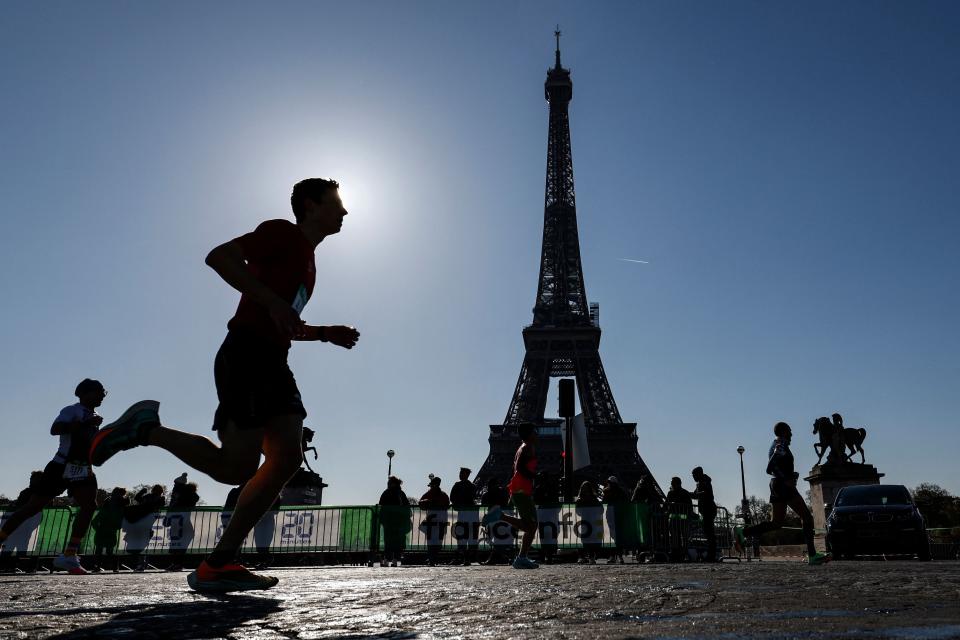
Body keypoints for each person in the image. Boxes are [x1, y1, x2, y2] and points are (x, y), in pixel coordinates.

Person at [89, 178, 360, 592]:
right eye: (337, 204)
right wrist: (272, 302)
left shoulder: (308, 260)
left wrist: (324, 333)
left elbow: (283, 320)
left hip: (273, 360)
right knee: (237, 468)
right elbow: (219, 257)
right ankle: (145, 429)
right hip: (246, 355)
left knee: (287, 458)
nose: (344, 212)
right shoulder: (281, 233)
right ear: (310, 205)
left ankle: (220, 561)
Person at [0, 379, 108, 574]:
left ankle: (69, 555)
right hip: (60, 465)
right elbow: (55, 429)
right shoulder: (71, 410)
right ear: (85, 393)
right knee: (32, 507)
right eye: (99, 392)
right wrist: (84, 423)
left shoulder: (96, 415)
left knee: (90, 505)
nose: (103, 395)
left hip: (82, 467)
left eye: (104, 392)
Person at [737, 422, 831, 565]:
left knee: (776, 523)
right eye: (789, 431)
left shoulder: (776, 444)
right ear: (783, 432)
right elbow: (769, 467)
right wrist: (786, 479)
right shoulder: (780, 445)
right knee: (806, 517)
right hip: (783, 486)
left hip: (776, 485)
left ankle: (743, 532)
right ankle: (812, 555)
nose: (792, 434)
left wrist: (789, 474)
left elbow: (774, 467)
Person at [482, 424, 540, 569]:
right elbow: (520, 467)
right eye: (534, 431)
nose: (536, 434)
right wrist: (535, 476)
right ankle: (521, 557)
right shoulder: (527, 447)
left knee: (530, 525)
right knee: (531, 526)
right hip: (521, 489)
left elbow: (517, 468)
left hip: (518, 488)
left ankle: (521, 557)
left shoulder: (522, 447)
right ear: (529, 433)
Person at [124, 484, 166, 571]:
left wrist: (142, 492)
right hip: (147, 526)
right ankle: (142, 564)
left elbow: (137, 499)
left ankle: (141, 564)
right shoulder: (160, 500)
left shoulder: (148, 497)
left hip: (138, 524)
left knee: (136, 546)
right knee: (142, 546)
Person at [166, 479, 200, 571]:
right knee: (178, 546)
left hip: (180, 524)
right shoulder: (190, 497)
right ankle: (176, 563)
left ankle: (177, 563)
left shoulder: (184, 497)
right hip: (181, 524)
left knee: (177, 545)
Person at [92, 487, 128, 572]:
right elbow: (120, 523)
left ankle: (97, 566)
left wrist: (97, 528)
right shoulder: (121, 508)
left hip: (101, 531)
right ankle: (115, 567)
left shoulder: (106, 505)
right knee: (110, 551)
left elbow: (95, 521)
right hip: (112, 531)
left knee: (99, 550)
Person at [378, 476, 411, 567]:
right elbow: (406, 506)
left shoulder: (387, 492)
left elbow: (381, 505)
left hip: (389, 521)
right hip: (398, 521)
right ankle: (395, 559)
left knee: (388, 541)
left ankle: (387, 559)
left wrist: (382, 519)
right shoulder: (400, 493)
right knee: (397, 541)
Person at [418, 476, 450, 566]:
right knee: (438, 540)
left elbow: (421, 503)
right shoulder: (444, 495)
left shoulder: (429, 494)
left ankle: (432, 558)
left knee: (431, 540)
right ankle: (434, 558)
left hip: (432, 520)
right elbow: (447, 505)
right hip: (441, 519)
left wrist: (428, 503)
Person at [449, 467, 478, 566]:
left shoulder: (458, 485)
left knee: (462, 536)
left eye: (461, 473)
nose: (460, 475)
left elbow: (452, 498)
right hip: (471, 514)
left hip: (463, 514)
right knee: (469, 537)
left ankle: (462, 557)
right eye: (460, 473)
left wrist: (458, 504)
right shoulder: (472, 486)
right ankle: (467, 558)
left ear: (466, 474)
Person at [480, 478, 512, 565]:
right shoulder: (503, 492)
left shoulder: (487, 494)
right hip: (503, 517)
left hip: (493, 518)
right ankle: (502, 556)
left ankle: (497, 557)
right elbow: (506, 502)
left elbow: (484, 503)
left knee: (494, 538)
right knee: (501, 538)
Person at [691, 467, 718, 562]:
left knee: (709, 532)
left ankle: (712, 555)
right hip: (706, 510)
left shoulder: (705, 482)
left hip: (709, 509)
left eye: (694, 475)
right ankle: (711, 554)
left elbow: (707, 494)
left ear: (699, 474)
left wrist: (696, 494)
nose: (693, 477)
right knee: (708, 532)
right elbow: (695, 494)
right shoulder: (700, 483)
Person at [602, 476, 630, 564]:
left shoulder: (607, 491)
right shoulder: (618, 491)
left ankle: (616, 556)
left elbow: (604, 502)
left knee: (615, 536)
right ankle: (616, 556)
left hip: (614, 515)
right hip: (615, 515)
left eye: (610, 483)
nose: (609, 484)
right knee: (614, 536)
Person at [574, 481, 602, 564]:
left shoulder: (580, 500)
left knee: (585, 539)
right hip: (590, 521)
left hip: (585, 521)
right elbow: (601, 510)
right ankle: (590, 557)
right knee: (589, 539)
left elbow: (577, 511)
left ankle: (583, 556)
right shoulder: (594, 499)